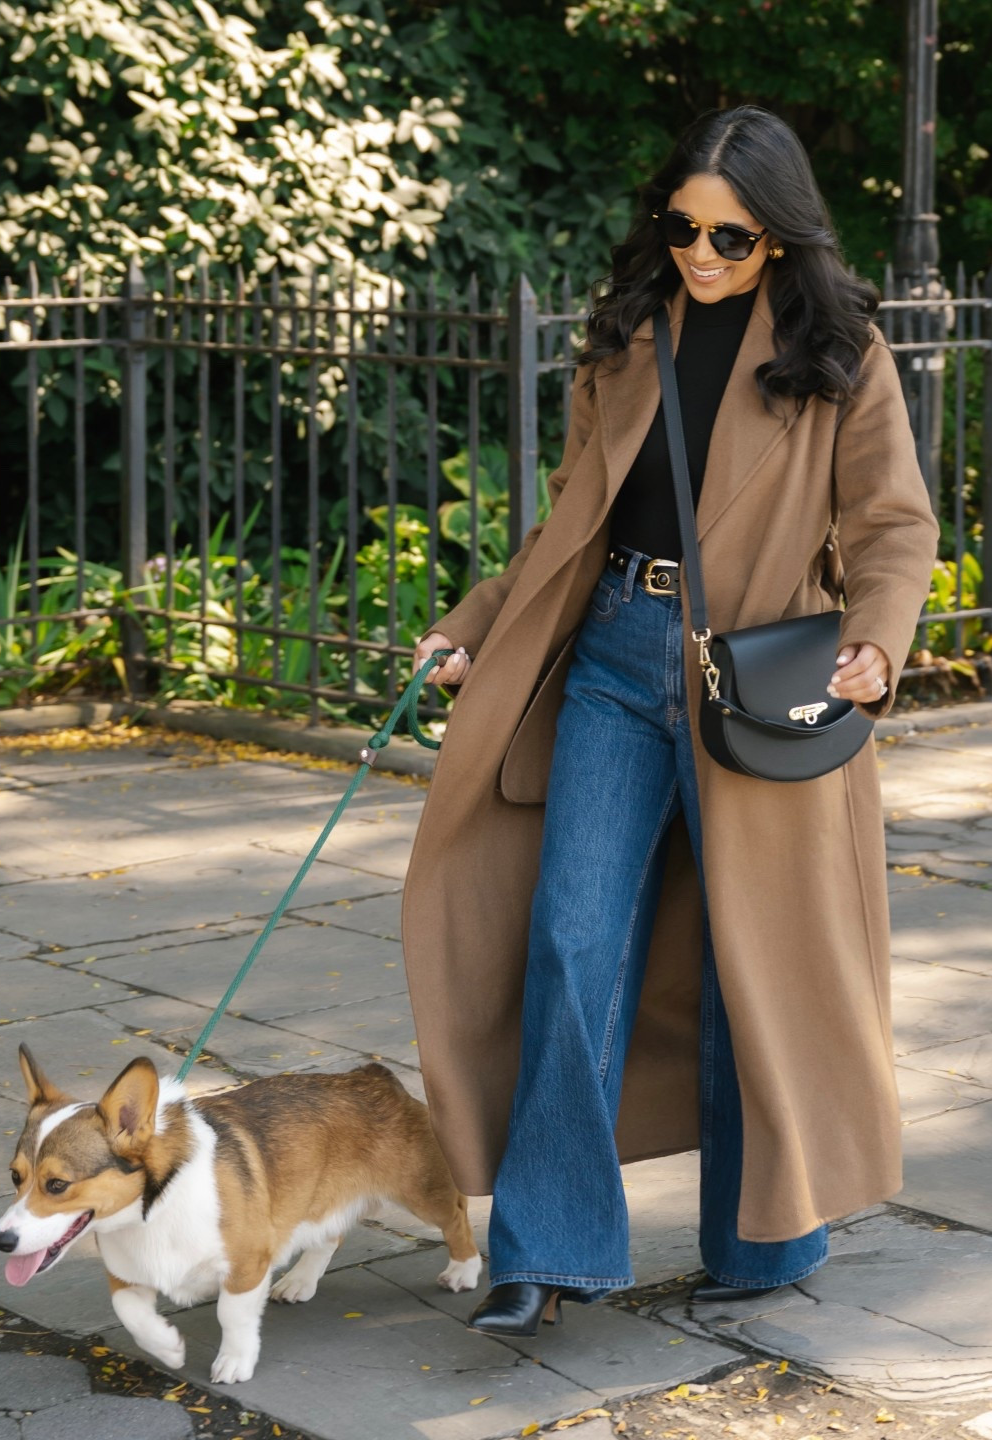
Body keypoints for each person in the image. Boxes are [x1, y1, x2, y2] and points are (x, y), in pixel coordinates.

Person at [400, 106, 939, 1334]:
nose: (701, 253)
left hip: (758, 672)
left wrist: (876, 638)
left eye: (731, 235)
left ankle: (763, 1240)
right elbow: (565, 525)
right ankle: (543, 1248)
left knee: (753, 962)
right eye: (682, 226)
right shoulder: (623, 340)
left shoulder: (841, 349)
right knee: (571, 938)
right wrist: (476, 618)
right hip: (610, 657)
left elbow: (893, 524)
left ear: (782, 236)